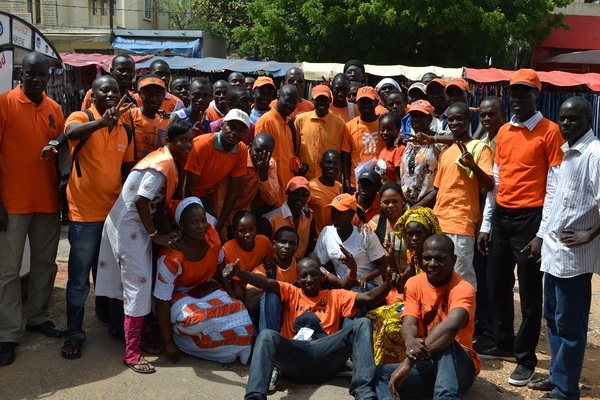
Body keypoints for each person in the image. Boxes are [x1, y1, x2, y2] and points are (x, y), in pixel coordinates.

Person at [477, 69, 564, 386]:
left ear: (536, 96)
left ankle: (525, 359)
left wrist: (542, 234)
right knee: (497, 286)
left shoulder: (549, 131)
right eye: (513, 93)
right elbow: (495, 182)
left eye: (524, 93)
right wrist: (487, 224)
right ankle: (504, 344)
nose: (516, 98)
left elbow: (553, 186)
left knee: (529, 295)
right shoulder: (503, 133)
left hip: (531, 219)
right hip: (502, 218)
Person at [95, 118, 193, 373]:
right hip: (131, 228)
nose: (188, 145)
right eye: (182, 141)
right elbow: (142, 200)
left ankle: (132, 339)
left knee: (132, 287)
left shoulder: (164, 159)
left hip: (130, 226)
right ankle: (132, 354)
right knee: (137, 291)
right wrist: (154, 235)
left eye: (190, 140)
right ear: (169, 141)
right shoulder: (160, 165)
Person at [224, 256, 396, 400]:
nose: (309, 279)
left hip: (325, 355)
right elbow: (267, 283)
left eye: (313, 275)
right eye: (304, 276)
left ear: (321, 277)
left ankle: (365, 394)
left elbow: (369, 297)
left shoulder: (334, 296)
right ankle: (254, 396)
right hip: (296, 357)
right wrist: (239, 273)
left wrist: (388, 284)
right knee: (267, 335)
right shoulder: (291, 292)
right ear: (298, 279)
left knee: (362, 323)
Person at [527, 97, 599, 400]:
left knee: (570, 325)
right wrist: (541, 237)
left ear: (588, 120)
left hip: (574, 259)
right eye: (563, 118)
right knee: (554, 319)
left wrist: (590, 234)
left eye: (573, 119)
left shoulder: (594, 154)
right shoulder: (566, 152)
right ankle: (558, 378)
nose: (566, 124)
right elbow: (554, 202)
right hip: (553, 255)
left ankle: (566, 390)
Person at [61, 78, 136, 360]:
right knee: (79, 279)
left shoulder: (125, 129)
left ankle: (117, 327)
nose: (110, 95)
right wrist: (101, 124)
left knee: (113, 276)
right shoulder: (82, 116)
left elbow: (127, 172)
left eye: (115, 91)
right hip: (83, 216)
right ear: (93, 94)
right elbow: (71, 132)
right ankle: (73, 334)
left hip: (113, 217)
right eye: (105, 90)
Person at [0, 52, 65, 367]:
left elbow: (62, 155)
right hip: (11, 205)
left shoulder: (55, 109)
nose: (37, 80)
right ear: (20, 73)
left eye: (42, 75)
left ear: (48, 77)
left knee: (44, 264)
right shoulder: (4, 104)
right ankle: (8, 334)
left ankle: (37, 316)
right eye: (31, 74)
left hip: (47, 203)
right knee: (8, 272)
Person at [375, 235, 479, 399]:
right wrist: (410, 342)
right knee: (377, 374)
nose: (432, 264)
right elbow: (409, 323)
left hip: (459, 366)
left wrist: (408, 363)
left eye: (439, 259)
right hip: (425, 360)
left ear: (453, 260)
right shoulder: (414, 283)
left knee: (445, 338)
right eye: (427, 258)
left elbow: (451, 327)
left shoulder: (464, 288)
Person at [154, 198, 253, 365]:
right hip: (178, 294)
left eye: (203, 221)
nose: (201, 226)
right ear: (182, 227)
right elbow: (161, 301)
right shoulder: (171, 258)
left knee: (241, 313)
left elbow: (220, 263)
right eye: (194, 222)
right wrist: (169, 343)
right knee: (197, 320)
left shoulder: (211, 235)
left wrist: (230, 292)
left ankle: (229, 352)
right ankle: (182, 341)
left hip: (206, 288)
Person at [367, 206, 442, 366]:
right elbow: (402, 287)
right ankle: (382, 363)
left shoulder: (437, 259)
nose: (414, 238)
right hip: (414, 306)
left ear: (429, 232)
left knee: (389, 325)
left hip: (433, 312)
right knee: (372, 317)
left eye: (419, 233)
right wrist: (391, 261)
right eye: (410, 234)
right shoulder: (415, 256)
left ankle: (400, 362)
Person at [431, 102, 494, 290]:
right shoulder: (446, 153)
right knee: (439, 276)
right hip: (439, 222)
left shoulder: (479, 148)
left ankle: (467, 318)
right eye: (451, 119)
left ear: (468, 120)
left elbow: (490, 185)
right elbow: (437, 190)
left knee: (462, 277)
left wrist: (472, 165)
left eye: (459, 118)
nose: (455, 122)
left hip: (461, 222)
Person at [183, 109, 250, 238]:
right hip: (183, 195)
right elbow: (188, 189)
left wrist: (219, 225)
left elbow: (233, 191)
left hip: (203, 196)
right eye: (232, 126)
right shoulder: (202, 145)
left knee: (213, 235)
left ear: (245, 133)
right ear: (222, 124)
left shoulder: (241, 150)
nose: (235, 132)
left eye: (240, 129)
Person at [472, 96, 505, 351]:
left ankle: (493, 331)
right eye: (482, 115)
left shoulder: (502, 140)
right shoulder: (484, 141)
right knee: (481, 274)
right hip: (481, 214)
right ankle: (484, 325)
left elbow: (493, 185)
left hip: (495, 214)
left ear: (502, 114)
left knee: (492, 277)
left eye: (491, 114)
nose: (486, 119)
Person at [315, 193, 388, 291]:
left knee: (356, 292)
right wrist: (334, 281)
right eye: (333, 212)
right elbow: (318, 262)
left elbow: (383, 265)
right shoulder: (327, 232)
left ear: (351, 214)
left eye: (339, 213)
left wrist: (365, 277)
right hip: (344, 285)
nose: (335, 216)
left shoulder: (365, 235)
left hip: (368, 284)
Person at [212, 132, 279, 225]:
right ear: (251, 146)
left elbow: (271, 200)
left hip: (244, 211)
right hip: (221, 209)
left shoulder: (270, 165)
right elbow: (220, 194)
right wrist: (220, 223)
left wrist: (263, 176)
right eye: (258, 151)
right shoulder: (237, 159)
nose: (262, 157)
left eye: (267, 153)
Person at [255, 84, 300, 206]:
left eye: (294, 102)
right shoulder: (266, 121)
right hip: (273, 194)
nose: (291, 105)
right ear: (278, 97)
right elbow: (260, 160)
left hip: (287, 191)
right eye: (287, 100)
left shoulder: (288, 122)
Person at [399, 100, 449, 208]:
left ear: (430, 119)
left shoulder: (440, 141)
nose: (415, 119)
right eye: (413, 116)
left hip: (429, 204)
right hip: (407, 204)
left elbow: (459, 138)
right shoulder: (409, 142)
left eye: (420, 116)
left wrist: (432, 139)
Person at [296, 84, 351, 181]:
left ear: (330, 100)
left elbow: (343, 154)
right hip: (305, 178)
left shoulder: (340, 124)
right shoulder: (301, 120)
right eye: (318, 100)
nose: (321, 103)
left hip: (330, 182)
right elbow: (294, 149)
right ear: (312, 101)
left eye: (324, 100)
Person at [259, 177, 316, 258]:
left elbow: (310, 246)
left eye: (304, 194)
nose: (300, 197)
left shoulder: (309, 217)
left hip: (300, 265)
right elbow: (262, 250)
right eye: (296, 193)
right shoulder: (270, 219)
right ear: (287, 193)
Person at [223, 211, 273, 302]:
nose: (248, 234)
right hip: (244, 289)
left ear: (256, 229)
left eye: (251, 229)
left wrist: (269, 261)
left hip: (263, 282)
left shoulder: (264, 241)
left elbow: (272, 259)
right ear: (234, 232)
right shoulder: (228, 248)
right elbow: (236, 283)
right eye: (242, 231)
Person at [346, 86, 383, 190]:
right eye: (362, 102)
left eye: (369, 101)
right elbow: (346, 158)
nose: (365, 105)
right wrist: (347, 183)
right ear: (357, 104)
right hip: (357, 183)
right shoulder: (349, 126)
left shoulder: (384, 125)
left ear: (376, 102)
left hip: (380, 182)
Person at [129, 74, 171, 161]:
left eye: (158, 93)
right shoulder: (129, 115)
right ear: (139, 94)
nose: (153, 98)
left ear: (163, 95)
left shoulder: (167, 122)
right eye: (148, 93)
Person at [369, 183, 407, 272]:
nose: (390, 205)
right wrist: (362, 227)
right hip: (382, 278)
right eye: (386, 202)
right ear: (380, 204)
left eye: (395, 201)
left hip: (408, 277)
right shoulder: (375, 222)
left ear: (403, 200)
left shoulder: (411, 222)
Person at [308, 150, 343, 234]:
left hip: (335, 238)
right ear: (321, 165)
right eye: (328, 162)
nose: (331, 166)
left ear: (340, 167)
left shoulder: (340, 187)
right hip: (317, 239)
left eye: (335, 163)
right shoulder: (310, 186)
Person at [377, 113, 404, 184]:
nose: (385, 133)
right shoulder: (383, 151)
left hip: (393, 192)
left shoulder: (399, 149)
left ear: (397, 130)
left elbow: (399, 179)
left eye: (389, 129)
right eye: (382, 129)